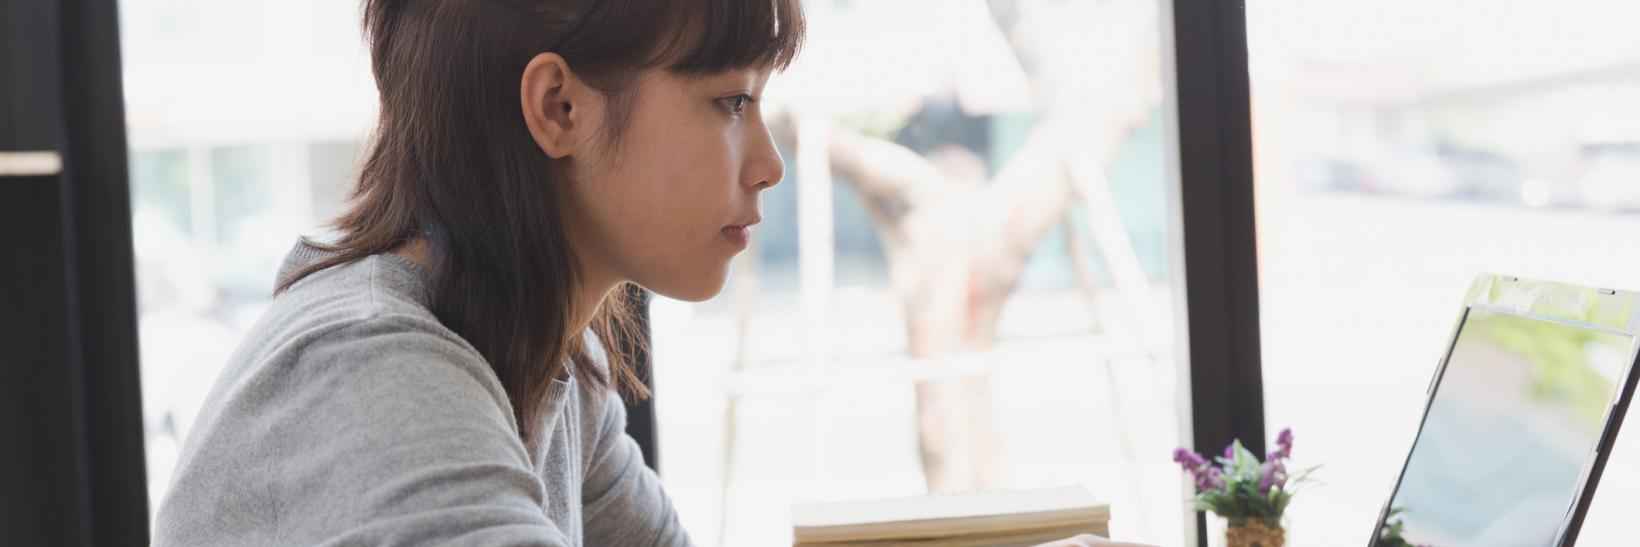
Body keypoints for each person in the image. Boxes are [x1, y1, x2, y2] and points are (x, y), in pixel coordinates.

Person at [151, 0, 1150, 545]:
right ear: (558, 109)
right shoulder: (370, 372)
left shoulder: (542, 361)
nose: (767, 162)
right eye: (726, 103)